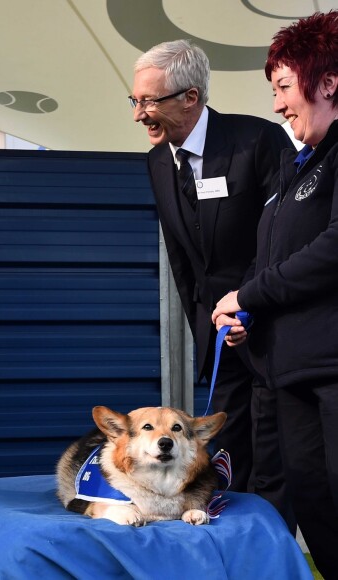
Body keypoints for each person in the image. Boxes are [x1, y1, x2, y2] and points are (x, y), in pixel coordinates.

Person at [130, 40, 296, 527]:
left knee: (276, 455)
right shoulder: (158, 162)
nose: (140, 114)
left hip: (272, 330)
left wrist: (248, 308)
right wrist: (205, 328)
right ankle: (226, 551)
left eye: (150, 101)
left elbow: (283, 240)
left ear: (191, 97)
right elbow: (184, 263)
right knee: (223, 457)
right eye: (135, 100)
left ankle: (273, 548)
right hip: (221, 340)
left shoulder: (259, 142)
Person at [211, 10, 338, 577]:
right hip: (289, 378)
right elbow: (274, 262)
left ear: (328, 82)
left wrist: (251, 295)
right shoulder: (298, 167)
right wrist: (249, 318)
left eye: (285, 87)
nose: (278, 104)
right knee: (315, 508)